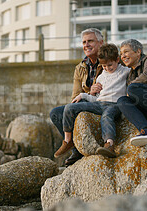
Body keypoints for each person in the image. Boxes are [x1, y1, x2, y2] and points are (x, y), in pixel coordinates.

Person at [53, 43, 130, 158]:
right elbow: (97, 98)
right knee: (69, 107)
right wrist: (83, 95)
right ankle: (67, 141)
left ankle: (109, 144)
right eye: (104, 66)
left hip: (115, 104)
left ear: (117, 60)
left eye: (110, 65)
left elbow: (139, 66)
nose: (107, 68)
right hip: (99, 103)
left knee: (106, 116)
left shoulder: (126, 71)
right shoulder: (101, 77)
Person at [50, 28, 104, 166]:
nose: (86, 45)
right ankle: (76, 149)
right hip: (86, 100)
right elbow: (75, 96)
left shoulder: (110, 59)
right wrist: (88, 94)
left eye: (90, 41)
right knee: (56, 113)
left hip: (103, 102)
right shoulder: (80, 67)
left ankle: (76, 149)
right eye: (84, 42)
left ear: (101, 43)